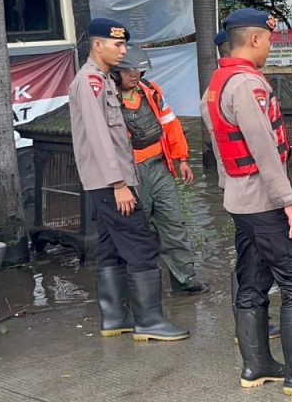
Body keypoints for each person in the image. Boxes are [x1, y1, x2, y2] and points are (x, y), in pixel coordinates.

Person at [202, 8, 292, 396]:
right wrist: (288, 200)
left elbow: (221, 150)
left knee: (252, 279)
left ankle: (257, 365)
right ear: (253, 40)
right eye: (268, 39)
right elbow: (264, 148)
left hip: (239, 199)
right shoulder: (247, 85)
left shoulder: (216, 84)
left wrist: (228, 189)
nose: (270, 45)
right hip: (263, 201)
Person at [69, 18, 189, 342]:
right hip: (112, 183)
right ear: (98, 45)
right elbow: (98, 138)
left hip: (110, 180)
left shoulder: (102, 80)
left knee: (109, 247)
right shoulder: (91, 82)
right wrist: (120, 185)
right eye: (118, 45)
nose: (123, 52)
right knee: (142, 245)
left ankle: (115, 317)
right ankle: (149, 320)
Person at [112, 46, 208, 295]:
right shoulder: (109, 99)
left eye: (138, 70)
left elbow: (170, 123)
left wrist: (182, 159)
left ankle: (185, 280)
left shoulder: (151, 91)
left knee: (174, 223)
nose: (135, 74)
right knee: (136, 230)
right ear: (117, 71)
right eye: (129, 70)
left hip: (159, 166)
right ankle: (139, 289)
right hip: (131, 173)